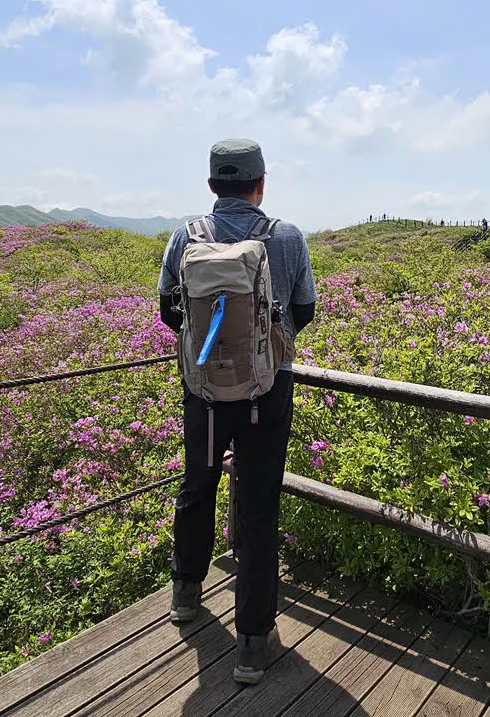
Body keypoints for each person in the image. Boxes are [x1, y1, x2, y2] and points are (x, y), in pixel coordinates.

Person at [157, 139, 317, 685]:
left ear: (211, 186)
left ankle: (185, 593)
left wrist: (215, 354)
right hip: (265, 396)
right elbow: (304, 310)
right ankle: (252, 641)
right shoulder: (287, 237)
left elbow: (167, 310)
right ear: (261, 183)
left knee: (197, 485)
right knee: (257, 508)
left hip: (203, 395)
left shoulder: (186, 235)